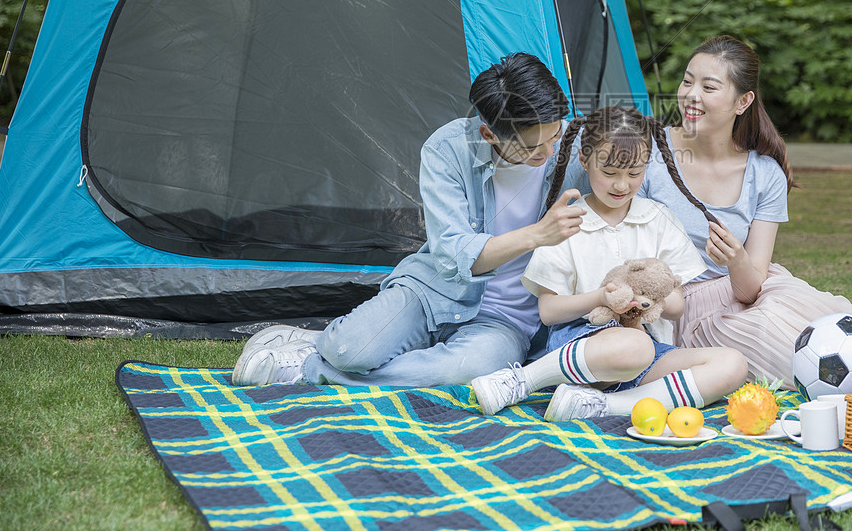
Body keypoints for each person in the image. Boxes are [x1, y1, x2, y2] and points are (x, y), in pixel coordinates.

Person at [231, 52, 587, 387]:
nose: (548, 151)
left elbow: (639, 166)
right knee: (350, 351)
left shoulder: (577, 144)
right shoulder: (448, 149)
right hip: (433, 291)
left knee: (469, 370)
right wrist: (537, 235)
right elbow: (453, 254)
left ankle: (312, 363)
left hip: (507, 321)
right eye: (529, 147)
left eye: (554, 134)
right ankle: (335, 346)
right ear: (489, 134)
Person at [640, 35, 852, 389]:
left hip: (754, 289)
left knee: (851, 322)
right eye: (687, 81)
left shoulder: (764, 173)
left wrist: (736, 260)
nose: (691, 95)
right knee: (791, 347)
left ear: (743, 101)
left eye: (709, 86)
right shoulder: (649, 154)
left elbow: (751, 288)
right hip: (686, 309)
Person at [470, 105, 748, 421]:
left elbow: (676, 306)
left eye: (634, 173)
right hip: (583, 342)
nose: (621, 185)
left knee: (732, 364)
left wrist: (643, 299)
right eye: (610, 173)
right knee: (634, 346)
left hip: (647, 351)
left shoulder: (658, 220)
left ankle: (604, 406)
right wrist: (602, 298)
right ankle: (524, 381)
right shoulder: (567, 223)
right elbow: (549, 312)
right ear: (585, 161)